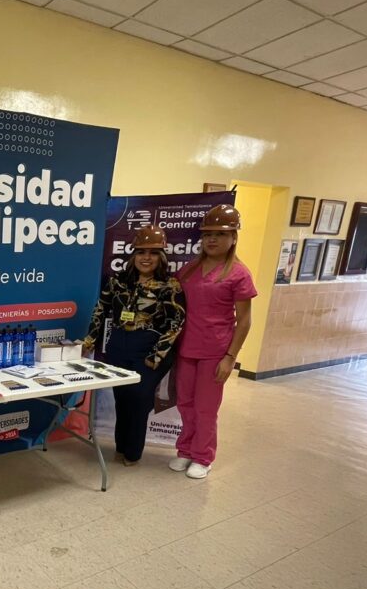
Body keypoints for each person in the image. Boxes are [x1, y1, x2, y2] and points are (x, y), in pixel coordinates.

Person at [169, 204, 256, 479]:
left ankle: (203, 457)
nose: (212, 239)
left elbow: (245, 320)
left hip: (215, 352)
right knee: (185, 403)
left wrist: (230, 357)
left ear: (233, 237)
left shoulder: (239, 273)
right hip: (186, 349)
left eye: (220, 234)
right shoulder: (189, 270)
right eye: (207, 234)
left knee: (206, 408)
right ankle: (185, 450)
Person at [85, 225, 185, 466]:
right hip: (119, 345)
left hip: (150, 348)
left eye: (153, 252)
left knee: (140, 399)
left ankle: (133, 452)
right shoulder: (118, 281)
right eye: (141, 252)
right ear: (133, 255)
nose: (146, 258)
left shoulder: (170, 285)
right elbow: (100, 310)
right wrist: (89, 340)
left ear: (161, 256)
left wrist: (157, 355)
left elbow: (176, 322)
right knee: (122, 397)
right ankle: (121, 446)